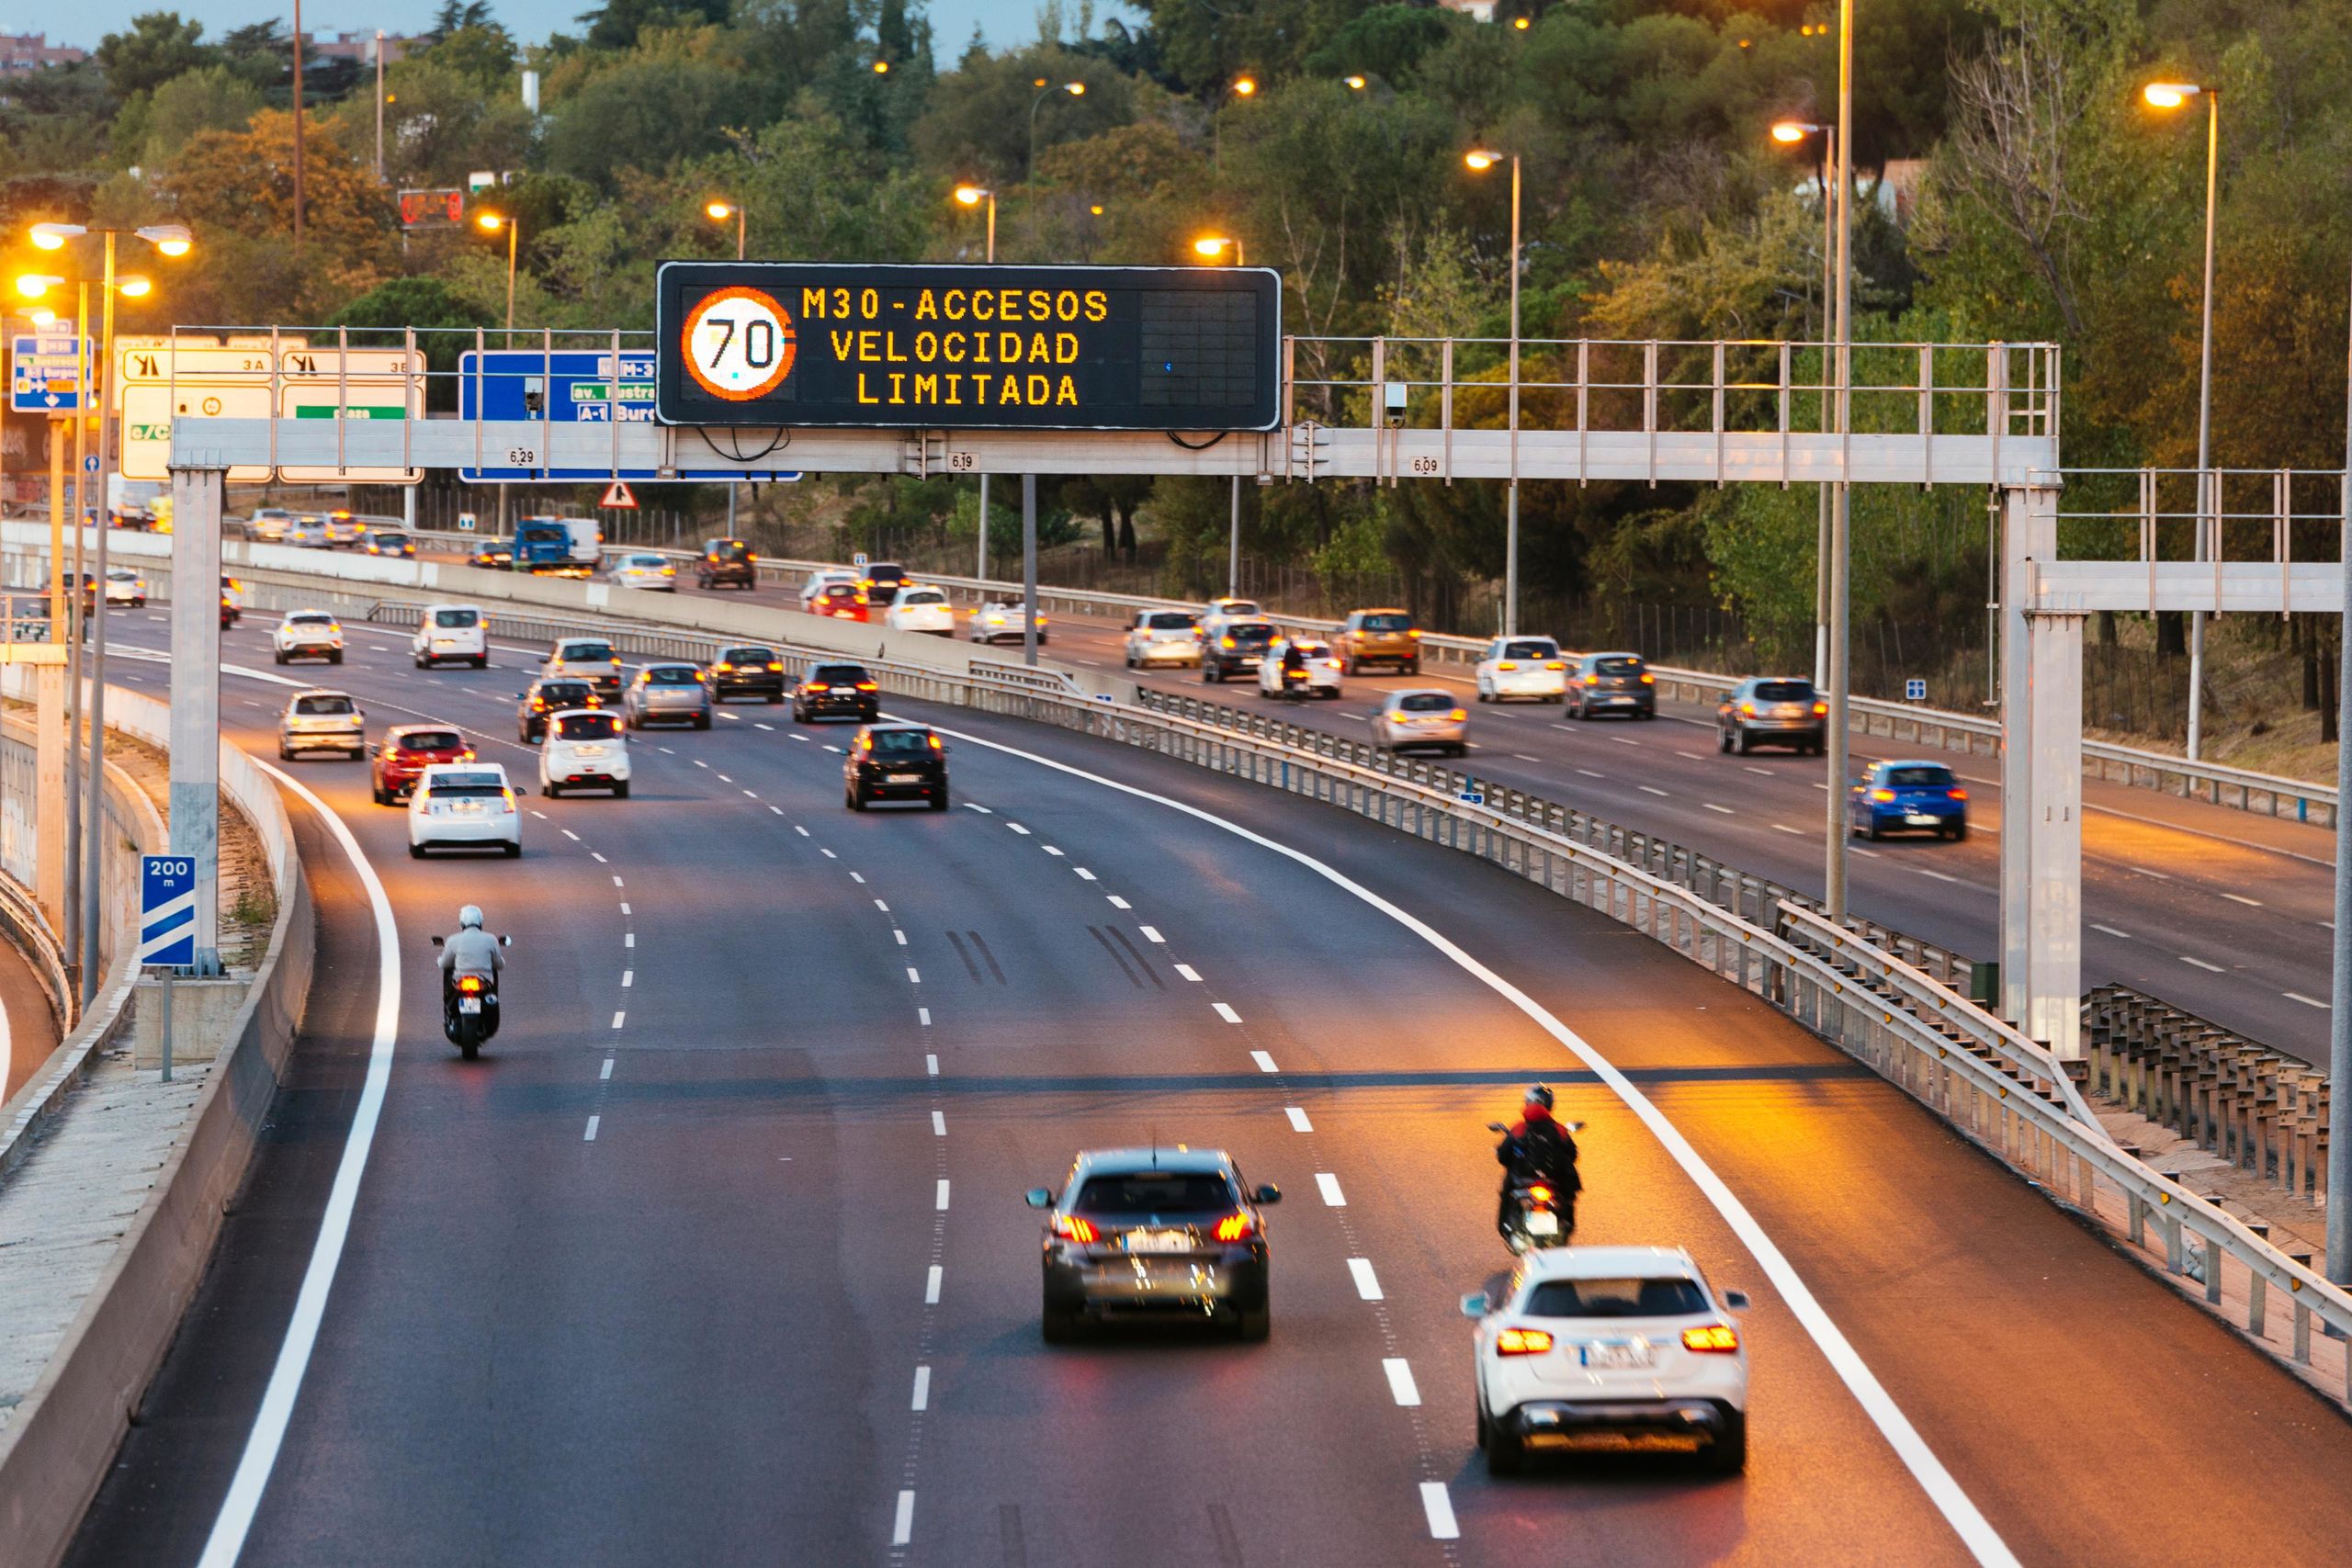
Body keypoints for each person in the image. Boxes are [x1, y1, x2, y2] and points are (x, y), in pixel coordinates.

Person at [1495, 1084, 1579, 1241]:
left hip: (1524, 1182)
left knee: (1507, 1191)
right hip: (1554, 1183)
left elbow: (1503, 1156)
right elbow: (1573, 1154)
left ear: (1528, 1102)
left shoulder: (1519, 1128)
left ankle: (1507, 1226)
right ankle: (1564, 1224)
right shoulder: (1560, 1130)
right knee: (1569, 1195)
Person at [437, 904, 504, 1027]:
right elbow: (499, 965)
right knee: (492, 985)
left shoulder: (453, 939)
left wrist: (439, 960)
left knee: (448, 974)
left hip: (460, 980)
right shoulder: (491, 939)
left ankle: (448, 1007)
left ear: (462, 923)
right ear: (480, 922)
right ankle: (492, 999)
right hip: (484, 981)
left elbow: (444, 964)